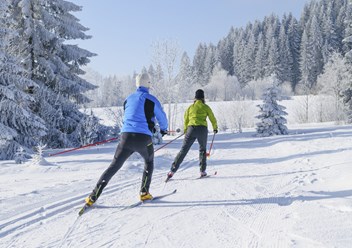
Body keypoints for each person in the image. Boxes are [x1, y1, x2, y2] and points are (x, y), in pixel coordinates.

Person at [84, 72, 168, 206]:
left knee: (113, 166)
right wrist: (163, 129)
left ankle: (93, 196)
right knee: (149, 161)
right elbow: (162, 117)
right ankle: (144, 193)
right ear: (148, 84)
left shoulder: (128, 99)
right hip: (143, 139)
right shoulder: (151, 99)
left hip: (125, 138)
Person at [166, 89, 218, 180]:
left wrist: (186, 130)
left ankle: (172, 171)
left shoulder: (190, 107)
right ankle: (202, 171)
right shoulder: (206, 107)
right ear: (203, 98)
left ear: (195, 97)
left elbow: (186, 118)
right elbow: (212, 117)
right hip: (202, 129)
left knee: (183, 150)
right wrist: (215, 128)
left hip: (191, 129)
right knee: (202, 149)